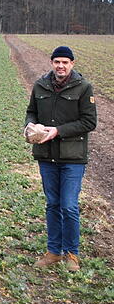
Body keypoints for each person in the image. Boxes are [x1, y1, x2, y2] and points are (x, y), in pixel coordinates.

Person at [26, 46, 96, 272]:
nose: (61, 66)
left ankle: (72, 254)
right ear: (52, 63)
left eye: (65, 62)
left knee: (69, 206)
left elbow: (89, 122)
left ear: (72, 64)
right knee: (53, 205)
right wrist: (30, 125)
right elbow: (31, 111)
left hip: (72, 158)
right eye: (57, 62)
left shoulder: (84, 88)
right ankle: (54, 252)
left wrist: (58, 131)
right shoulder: (40, 86)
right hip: (46, 157)